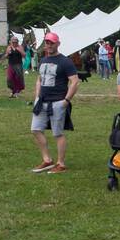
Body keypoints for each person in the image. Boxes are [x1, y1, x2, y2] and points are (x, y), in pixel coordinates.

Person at [30, 32, 80, 173]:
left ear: (58, 43)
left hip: (58, 102)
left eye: (52, 42)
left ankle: (61, 164)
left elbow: (75, 81)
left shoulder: (65, 61)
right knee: (35, 129)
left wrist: (66, 100)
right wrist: (37, 97)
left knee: (57, 133)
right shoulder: (43, 60)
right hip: (42, 102)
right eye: (47, 42)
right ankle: (47, 160)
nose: (49, 45)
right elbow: (39, 80)